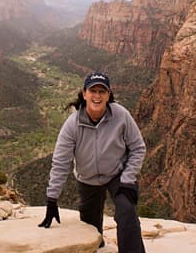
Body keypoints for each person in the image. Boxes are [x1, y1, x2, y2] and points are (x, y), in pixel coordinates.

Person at [38, 71, 146, 253]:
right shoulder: (72, 124)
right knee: (91, 230)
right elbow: (61, 163)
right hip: (87, 179)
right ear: (84, 94)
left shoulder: (121, 115)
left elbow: (138, 148)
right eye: (93, 91)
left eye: (102, 91)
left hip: (116, 175)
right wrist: (52, 199)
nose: (97, 96)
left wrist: (127, 179)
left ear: (109, 94)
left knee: (127, 212)